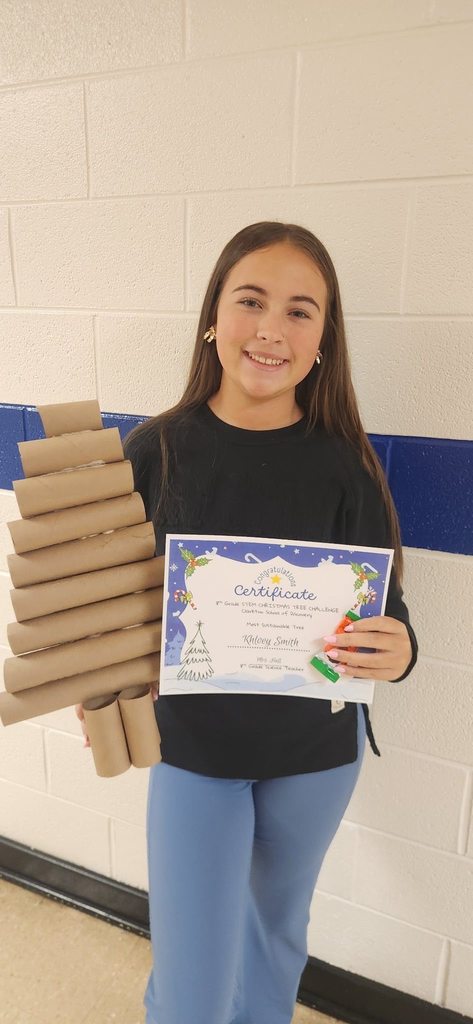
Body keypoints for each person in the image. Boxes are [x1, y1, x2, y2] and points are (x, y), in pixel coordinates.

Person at [76, 221, 418, 1024]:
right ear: (212, 319)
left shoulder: (345, 460)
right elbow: (104, 603)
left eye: (300, 312)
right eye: (251, 301)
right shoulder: (156, 449)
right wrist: (96, 691)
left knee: (272, 946)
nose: (271, 329)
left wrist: (398, 649)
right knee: (193, 974)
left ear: (323, 340)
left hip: (315, 757)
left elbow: (386, 608)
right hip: (195, 751)